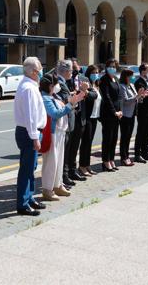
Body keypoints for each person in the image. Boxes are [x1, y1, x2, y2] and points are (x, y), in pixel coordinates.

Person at [40, 74, 85, 201]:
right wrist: (70, 105)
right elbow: (54, 114)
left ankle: (58, 185)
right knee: (51, 163)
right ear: (50, 86)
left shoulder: (53, 96)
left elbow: (64, 106)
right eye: (56, 84)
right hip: (52, 133)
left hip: (60, 132)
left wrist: (73, 102)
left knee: (59, 161)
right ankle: (47, 189)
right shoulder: (45, 99)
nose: (58, 86)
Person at [13, 57, 47, 216]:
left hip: (30, 132)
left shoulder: (30, 86)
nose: (41, 72)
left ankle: (29, 197)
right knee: (26, 169)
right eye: (40, 69)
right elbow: (30, 117)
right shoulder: (28, 88)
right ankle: (23, 203)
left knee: (31, 167)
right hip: (29, 133)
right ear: (33, 71)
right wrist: (35, 137)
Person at [48, 60, 76, 189]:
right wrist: (74, 98)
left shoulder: (63, 82)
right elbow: (64, 101)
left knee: (64, 153)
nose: (71, 73)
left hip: (65, 122)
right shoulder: (59, 83)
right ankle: (60, 180)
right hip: (60, 124)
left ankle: (62, 179)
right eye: (70, 71)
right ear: (65, 71)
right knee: (60, 156)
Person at [64, 58, 89, 182]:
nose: (74, 70)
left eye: (75, 67)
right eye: (71, 68)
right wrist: (79, 92)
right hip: (70, 116)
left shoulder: (83, 79)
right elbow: (67, 96)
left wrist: (85, 92)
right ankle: (66, 172)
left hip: (80, 116)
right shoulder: (66, 80)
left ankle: (73, 170)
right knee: (68, 146)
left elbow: (93, 94)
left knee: (75, 146)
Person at [99, 58, 122, 171]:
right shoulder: (104, 80)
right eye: (110, 66)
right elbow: (106, 97)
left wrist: (120, 110)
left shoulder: (115, 79)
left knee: (114, 138)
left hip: (117, 113)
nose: (112, 68)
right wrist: (114, 111)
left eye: (114, 66)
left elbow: (119, 96)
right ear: (106, 67)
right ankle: (105, 161)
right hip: (108, 113)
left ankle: (111, 159)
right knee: (107, 138)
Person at [78, 65, 100, 176]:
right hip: (87, 117)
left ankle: (87, 165)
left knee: (89, 142)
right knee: (85, 142)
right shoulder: (86, 83)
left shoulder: (96, 84)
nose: (95, 74)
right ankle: (82, 166)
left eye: (97, 72)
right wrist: (87, 92)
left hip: (95, 116)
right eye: (93, 72)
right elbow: (92, 96)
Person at [119, 69, 143, 166]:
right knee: (124, 137)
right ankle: (123, 157)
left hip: (132, 114)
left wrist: (142, 96)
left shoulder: (132, 86)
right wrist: (137, 96)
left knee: (128, 136)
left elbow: (135, 100)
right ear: (126, 77)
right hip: (125, 114)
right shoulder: (122, 86)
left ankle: (127, 156)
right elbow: (125, 101)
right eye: (131, 76)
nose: (133, 78)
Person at [134, 63, 148, 163]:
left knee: (147, 133)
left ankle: (145, 153)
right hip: (143, 111)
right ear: (143, 71)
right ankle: (137, 154)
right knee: (141, 133)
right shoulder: (139, 82)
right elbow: (143, 95)